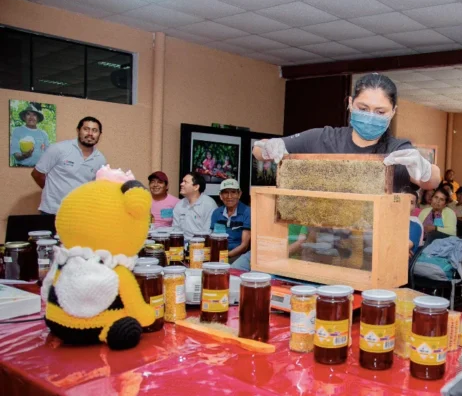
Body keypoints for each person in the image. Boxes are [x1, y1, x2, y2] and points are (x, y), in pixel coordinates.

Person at [252, 73, 441, 192]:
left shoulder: (397, 151)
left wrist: (424, 170)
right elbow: (258, 151)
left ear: (393, 111)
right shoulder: (323, 138)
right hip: (322, 244)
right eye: (363, 108)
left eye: (380, 112)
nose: (370, 116)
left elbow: (432, 181)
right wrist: (268, 148)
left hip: (379, 246)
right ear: (350, 104)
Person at [32, 116, 107, 215]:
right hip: (53, 211)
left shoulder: (101, 159)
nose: (90, 134)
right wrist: (52, 190)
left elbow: (96, 187)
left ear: (99, 134)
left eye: (94, 130)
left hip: (79, 214)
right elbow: (37, 174)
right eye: (86, 129)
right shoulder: (58, 149)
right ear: (78, 130)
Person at [210, 179, 251, 264]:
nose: (229, 196)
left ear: (239, 194)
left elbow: (244, 246)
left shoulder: (247, 212)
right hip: (219, 254)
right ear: (221, 196)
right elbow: (214, 238)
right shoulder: (217, 213)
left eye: (233, 192)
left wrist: (226, 256)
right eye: (225, 193)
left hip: (238, 254)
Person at [172, 172, 218, 241]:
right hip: (181, 244)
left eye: (185, 182)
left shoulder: (209, 204)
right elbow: (175, 229)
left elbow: (208, 232)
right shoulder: (179, 204)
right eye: (182, 181)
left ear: (196, 187)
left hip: (201, 244)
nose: (181, 184)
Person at [11, 103, 49, 167]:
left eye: (34, 115)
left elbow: (48, 153)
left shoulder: (43, 134)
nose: (31, 117)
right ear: (24, 117)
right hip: (20, 168)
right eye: (28, 114)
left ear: (38, 118)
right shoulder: (17, 131)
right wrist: (24, 156)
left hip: (38, 170)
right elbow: (16, 154)